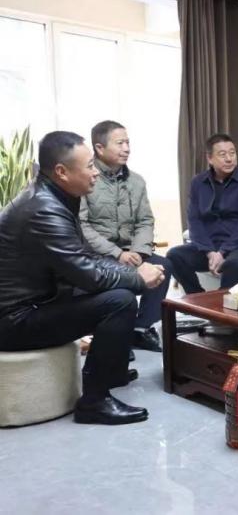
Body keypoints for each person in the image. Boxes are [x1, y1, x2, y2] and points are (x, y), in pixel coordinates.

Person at [0, 131, 166, 425]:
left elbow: (83, 258)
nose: (95, 173)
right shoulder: (44, 209)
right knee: (119, 301)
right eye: (89, 166)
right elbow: (89, 275)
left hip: (41, 298)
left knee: (119, 291)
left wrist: (132, 271)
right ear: (62, 172)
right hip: (14, 320)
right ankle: (94, 402)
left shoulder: (53, 195)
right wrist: (138, 278)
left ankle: (112, 372)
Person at [79, 120, 171, 354]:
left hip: (131, 252)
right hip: (98, 255)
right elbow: (82, 226)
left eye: (128, 142)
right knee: (122, 278)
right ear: (99, 148)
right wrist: (118, 254)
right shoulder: (86, 179)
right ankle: (116, 335)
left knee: (163, 265)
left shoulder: (136, 181)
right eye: (120, 143)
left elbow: (145, 220)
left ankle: (141, 330)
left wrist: (139, 252)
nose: (127, 148)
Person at [167, 133, 238, 293]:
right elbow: (194, 221)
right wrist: (210, 252)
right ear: (210, 158)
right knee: (174, 255)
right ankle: (197, 298)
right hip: (209, 246)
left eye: (232, 153)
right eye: (222, 154)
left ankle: (221, 304)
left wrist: (222, 252)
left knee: (237, 264)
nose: (229, 159)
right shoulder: (198, 182)